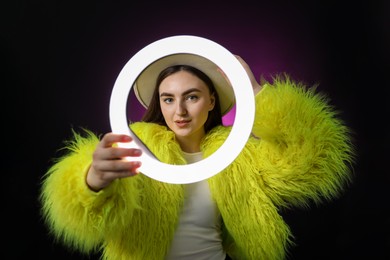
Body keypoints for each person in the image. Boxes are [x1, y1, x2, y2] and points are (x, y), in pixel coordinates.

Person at [40, 53, 355, 259]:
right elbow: (77, 212)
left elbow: (313, 159)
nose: (179, 111)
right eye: (168, 99)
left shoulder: (236, 154)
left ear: (210, 101)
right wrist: (91, 181)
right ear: (159, 104)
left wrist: (255, 91)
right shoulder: (134, 144)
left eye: (191, 96)